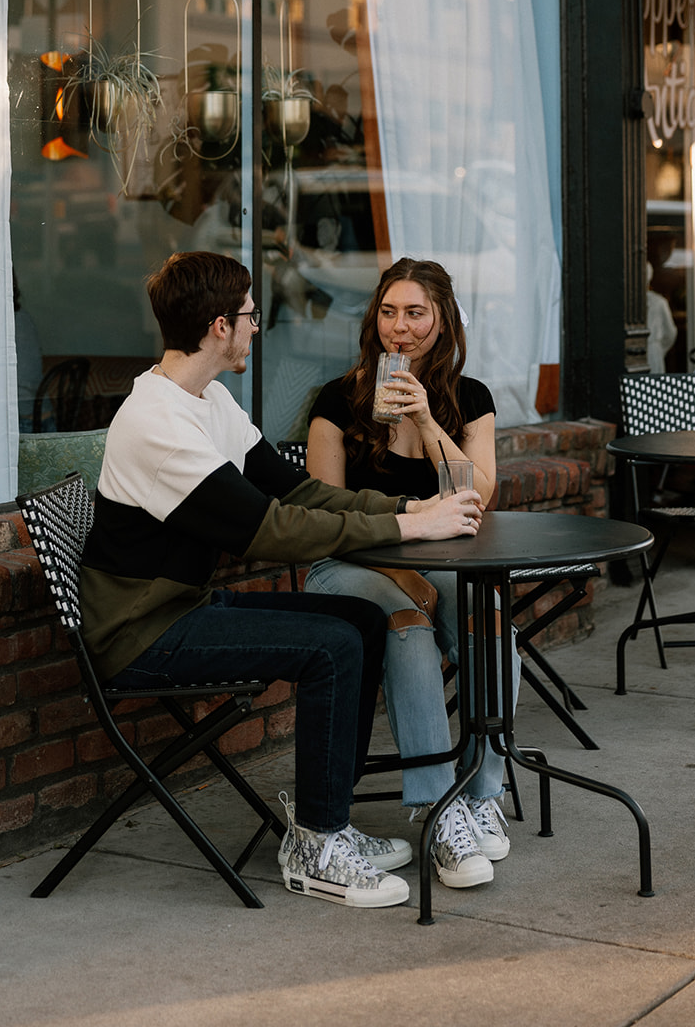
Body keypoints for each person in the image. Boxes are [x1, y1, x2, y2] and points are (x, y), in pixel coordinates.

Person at [79, 250, 484, 910]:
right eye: (247, 316)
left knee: (357, 619)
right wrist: (410, 529)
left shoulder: (205, 399)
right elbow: (272, 529)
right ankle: (317, 846)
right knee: (332, 645)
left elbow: (299, 493)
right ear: (218, 327)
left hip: (180, 606)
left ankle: (332, 822)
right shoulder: (158, 423)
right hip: (143, 632)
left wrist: (410, 510)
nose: (256, 327)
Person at [305, 257, 521, 891]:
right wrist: (406, 578)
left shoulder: (468, 399)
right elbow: (324, 516)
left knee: (488, 616)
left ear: (442, 320)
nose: (400, 328)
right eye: (389, 311)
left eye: (416, 313)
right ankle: (436, 807)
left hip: (435, 563)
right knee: (405, 622)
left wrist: (428, 421)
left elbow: (478, 497)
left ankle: (482, 793)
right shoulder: (338, 400)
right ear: (375, 318)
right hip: (347, 566)